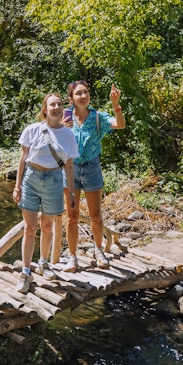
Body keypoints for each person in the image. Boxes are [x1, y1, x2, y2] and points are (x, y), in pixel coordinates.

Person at [13, 93, 79, 293]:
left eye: (59, 104)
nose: (57, 107)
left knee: (48, 227)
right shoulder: (32, 130)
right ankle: (25, 272)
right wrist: (17, 186)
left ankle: (43, 263)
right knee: (30, 228)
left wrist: (71, 193)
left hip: (54, 180)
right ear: (45, 109)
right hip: (31, 178)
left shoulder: (68, 135)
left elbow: (68, 165)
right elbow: (23, 159)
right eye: (53, 104)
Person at [62, 81, 125, 271]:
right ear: (71, 98)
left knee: (96, 216)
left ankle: (99, 250)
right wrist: (61, 128)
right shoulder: (64, 117)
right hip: (70, 170)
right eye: (78, 93)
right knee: (72, 217)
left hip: (91, 168)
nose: (83, 96)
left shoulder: (97, 117)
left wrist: (116, 105)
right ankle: (72, 257)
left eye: (86, 92)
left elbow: (120, 124)